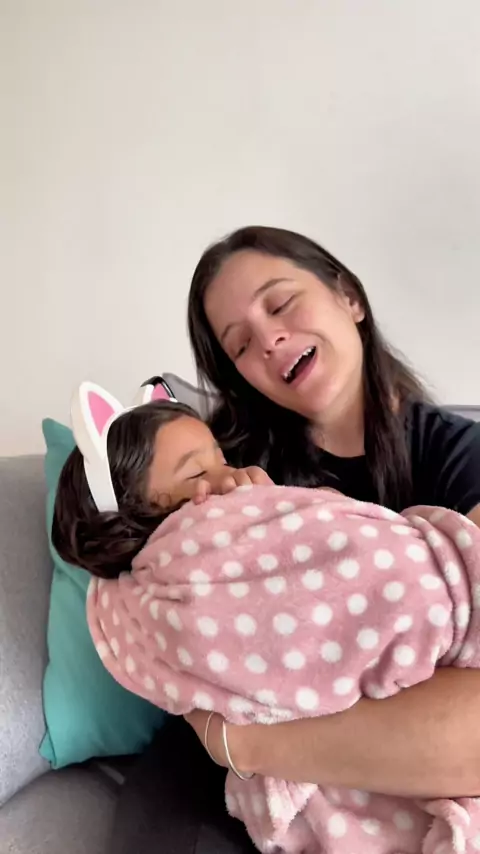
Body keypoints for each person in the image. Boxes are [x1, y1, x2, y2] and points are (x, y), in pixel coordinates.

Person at [107, 226, 480, 854]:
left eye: (280, 304)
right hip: (218, 777)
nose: (268, 339)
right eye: (240, 344)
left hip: (302, 764)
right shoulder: (219, 467)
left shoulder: (459, 456)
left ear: (349, 297)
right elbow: (145, 593)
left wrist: (246, 743)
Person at [53, 381, 480, 852]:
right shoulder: (239, 449)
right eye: (198, 472)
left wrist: (241, 742)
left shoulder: (445, 443)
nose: (230, 476)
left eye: (221, 460)